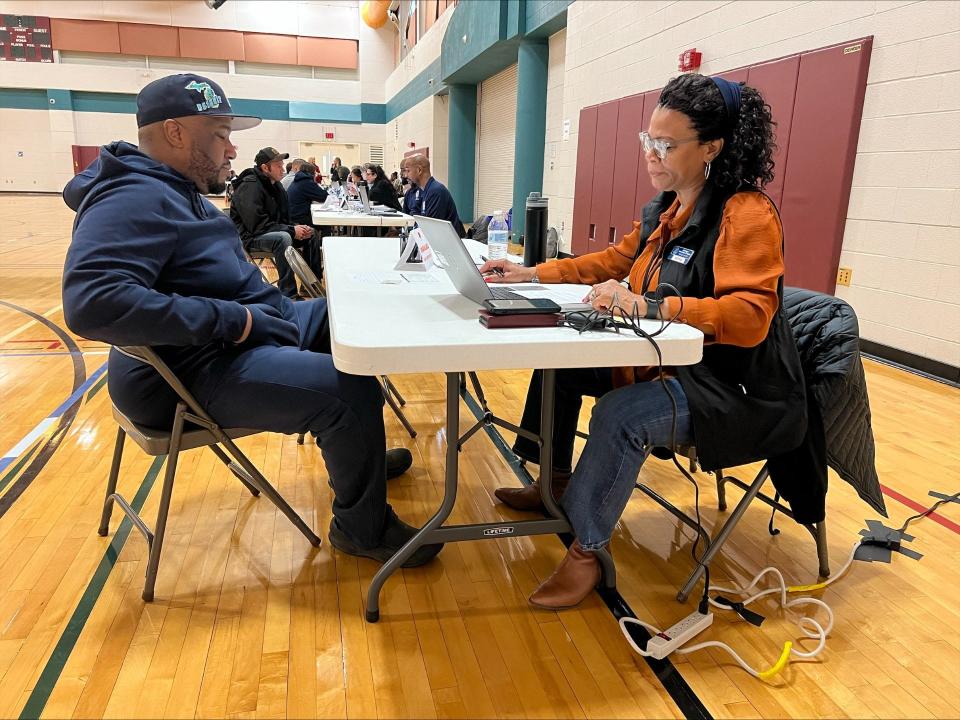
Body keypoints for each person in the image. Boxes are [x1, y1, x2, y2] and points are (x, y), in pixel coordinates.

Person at [61, 73, 442, 568]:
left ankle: (359, 455)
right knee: (348, 388)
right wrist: (233, 320)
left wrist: (247, 318)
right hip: (187, 371)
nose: (232, 149)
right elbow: (91, 301)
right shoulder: (131, 197)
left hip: (243, 331)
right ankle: (361, 528)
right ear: (176, 133)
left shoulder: (175, 185)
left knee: (354, 317)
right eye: (220, 133)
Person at [480, 73, 805, 609]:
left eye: (666, 145)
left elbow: (749, 319)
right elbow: (611, 263)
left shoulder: (745, 212)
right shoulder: (665, 208)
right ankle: (554, 483)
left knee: (619, 414)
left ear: (712, 148)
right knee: (555, 365)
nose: (651, 155)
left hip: (729, 389)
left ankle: (587, 549)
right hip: (666, 365)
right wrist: (530, 272)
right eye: (647, 141)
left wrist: (652, 304)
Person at [229, 146, 313, 299]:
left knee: (311, 234)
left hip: (269, 230)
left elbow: (283, 219)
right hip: (249, 237)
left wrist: (296, 228)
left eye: (282, 165)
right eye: (278, 166)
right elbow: (257, 226)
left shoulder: (277, 186)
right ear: (265, 168)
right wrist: (291, 231)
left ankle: (310, 286)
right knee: (283, 238)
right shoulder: (250, 186)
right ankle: (289, 294)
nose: (283, 169)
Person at [405, 154, 465, 236]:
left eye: (408, 171)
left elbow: (430, 230)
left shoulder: (435, 191)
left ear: (419, 170)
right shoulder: (425, 190)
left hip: (449, 243)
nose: (406, 175)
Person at [286, 161, 329, 272]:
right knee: (325, 226)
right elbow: (323, 196)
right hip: (298, 220)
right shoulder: (306, 182)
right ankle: (322, 262)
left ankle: (320, 260)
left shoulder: (298, 180)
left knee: (320, 226)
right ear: (312, 173)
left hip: (292, 218)